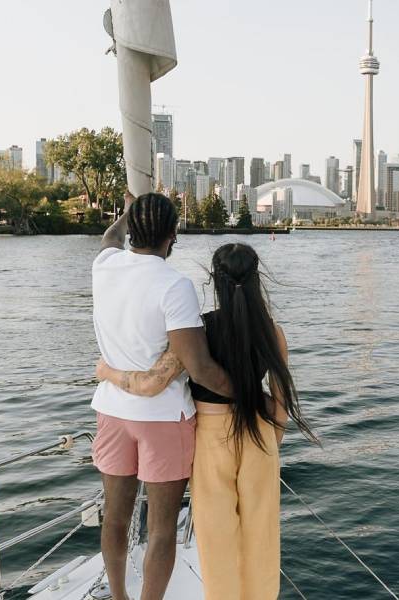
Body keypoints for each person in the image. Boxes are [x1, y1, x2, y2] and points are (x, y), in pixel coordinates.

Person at [96, 242, 317, 600]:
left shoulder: (198, 331)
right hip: (259, 436)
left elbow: (153, 382)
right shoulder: (272, 332)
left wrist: (107, 370)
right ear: (256, 278)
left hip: (211, 438)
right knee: (260, 534)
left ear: (215, 280)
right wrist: (270, 444)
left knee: (217, 538)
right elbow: (280, 401)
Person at [90, 191, 232, 600]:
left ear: (132, 228)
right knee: (162, 527)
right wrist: (245, 395)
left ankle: (118, 597)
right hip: (164, 419)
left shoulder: (105, 266)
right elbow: (200, 366)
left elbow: (108, 238)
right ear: (174, 235)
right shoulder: (175, 285)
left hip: (113, 412)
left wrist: (129, 210)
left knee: (114, 519)